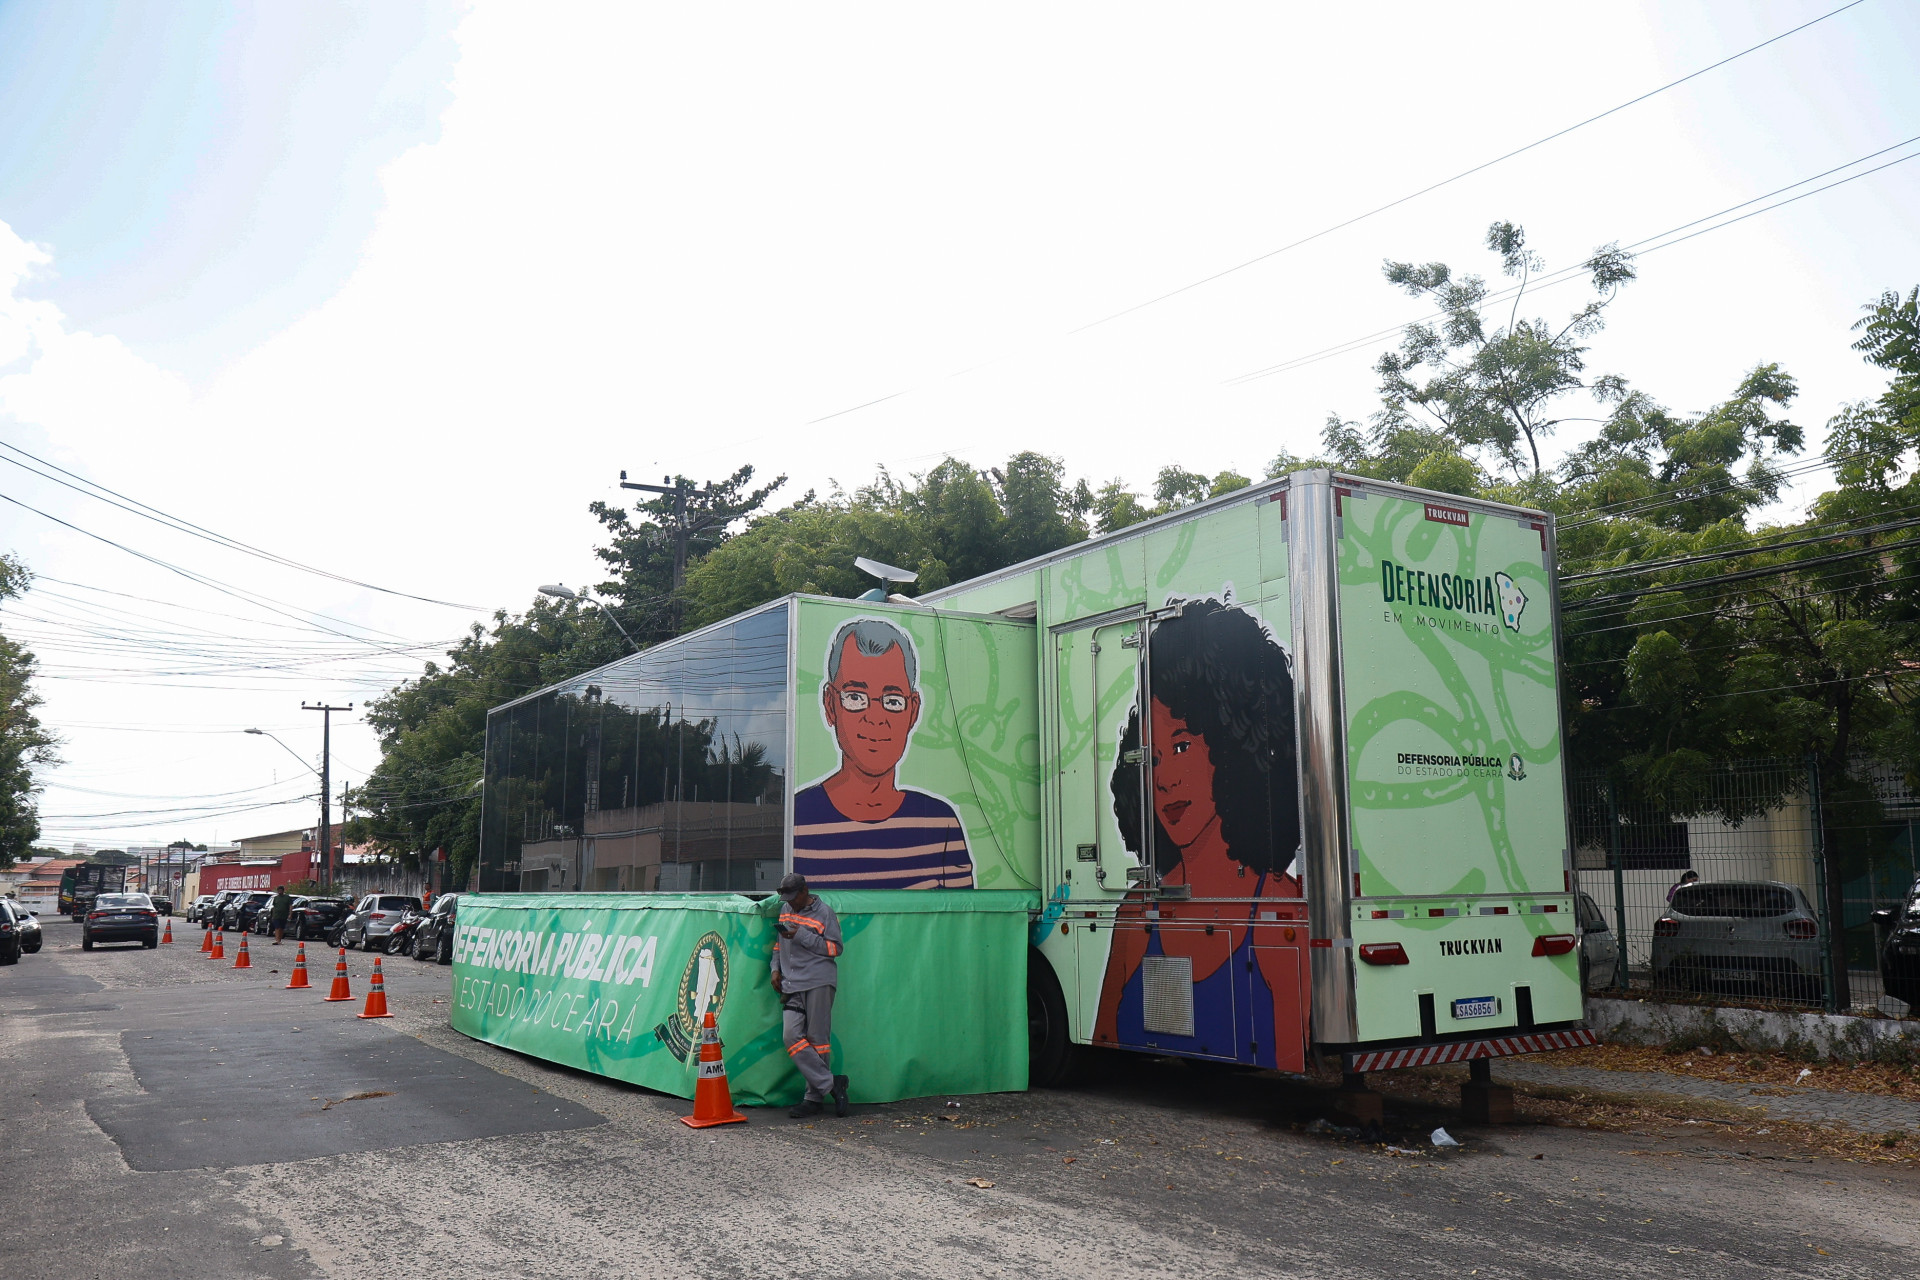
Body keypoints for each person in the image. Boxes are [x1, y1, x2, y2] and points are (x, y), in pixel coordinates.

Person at [1094, 597, 1304, 1058]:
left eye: (1184, 745)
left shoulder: (1276, 912)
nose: (1164, 778)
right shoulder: (1135, 916)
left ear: (1233, 745)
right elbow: (1102, 1033)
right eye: (1153, 755)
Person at [792, 617, 972, 889]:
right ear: (830, 705)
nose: (876, 718)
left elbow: (962, 923)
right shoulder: (797, 821)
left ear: (913, 711)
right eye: (855, 697)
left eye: (892, 701)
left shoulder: (939, 823)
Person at [769, 873, 848, 1118]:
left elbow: (836, 949)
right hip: (792, 983)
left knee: (818, 1040)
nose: (790, 903)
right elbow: (778, 944)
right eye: (787, 898)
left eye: (794, 897)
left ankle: (813, 1098)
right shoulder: (785, 908)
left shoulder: (825, 913)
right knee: (791, 1036)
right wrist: (775, 968)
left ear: (805, 891)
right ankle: (832, 1084)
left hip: (818, 982)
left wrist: (801, 935)